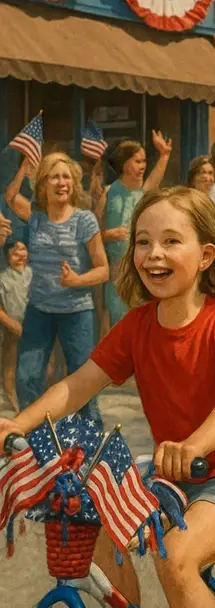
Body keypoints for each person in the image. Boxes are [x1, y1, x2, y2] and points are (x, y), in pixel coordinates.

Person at [0, 186, 215, 608]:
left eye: (172, 241)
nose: (154, 254)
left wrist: (193, 444)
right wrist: (18, 422)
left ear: (206, 254)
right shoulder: (137, 327)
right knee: (85, 516)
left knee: (177, 561)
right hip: (172, 473)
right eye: (144, 242)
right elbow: (76, 385)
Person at [5, 154, 109, 423]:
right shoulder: (37, 218)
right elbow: (10, 196)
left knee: (82, 380)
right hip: (39, 309)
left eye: (66, 177)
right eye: (54, 176)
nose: (61, 182)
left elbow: (103, 270)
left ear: (74, 184)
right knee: (27, 376)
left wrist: (76, 280)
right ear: (43, 185)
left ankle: (91, 439)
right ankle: (34, 438)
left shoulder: (84, 220)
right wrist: (24, 169)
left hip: (77, 312)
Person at [100, 133, 173, 325]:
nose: (143, 166)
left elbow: (155, 179)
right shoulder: (108, 192)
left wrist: (164, 154)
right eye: (137, 161)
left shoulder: (144, 193)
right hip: (116, 275)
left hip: (141, 273)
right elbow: (91, 234)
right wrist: (106, 235)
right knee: (119, 325)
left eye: (144, 161)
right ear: (124, 164)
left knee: (144, 325)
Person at [0, 241, 31, 411]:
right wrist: (12, 324)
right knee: (10, 360)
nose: (20, 256)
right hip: (11, 327)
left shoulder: (33, 274)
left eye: (23, 251)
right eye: (14, 253)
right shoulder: (3, 278)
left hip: (33, 325)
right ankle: (10, 397)